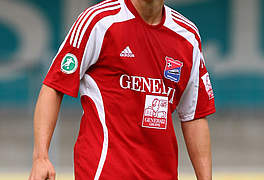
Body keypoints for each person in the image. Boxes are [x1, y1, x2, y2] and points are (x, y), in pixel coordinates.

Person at [29, 0, 216, 179]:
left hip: (162, 174)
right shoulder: (99, 21)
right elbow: (54, 86)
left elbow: (195, 115)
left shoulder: (187, 36)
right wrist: (41, 157)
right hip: (104, 172)